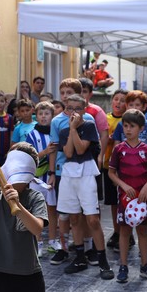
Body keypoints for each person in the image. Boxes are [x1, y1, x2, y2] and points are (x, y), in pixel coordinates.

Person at [0, 138, 48, 292]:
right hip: (0, 272)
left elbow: (37, 228)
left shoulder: (35, 197)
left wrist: (18, 206)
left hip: (29, 273)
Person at [57, 94, 114, 279]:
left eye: (78, 109)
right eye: (70, 108)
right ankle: (80, 257)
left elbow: (81, 149)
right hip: (69, 174)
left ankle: (102, 259)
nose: (73, 112)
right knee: (73, 218)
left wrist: (73, 129)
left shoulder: (89, 126)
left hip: (86, 173)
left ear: (84, 110)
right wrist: (71, 129)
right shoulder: (63, 130)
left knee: (92, 219)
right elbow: (68, 152)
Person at [48, 79, 98, 266]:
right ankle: (64, 248)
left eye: (70, 92)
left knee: (84, 212)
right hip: (63, 171)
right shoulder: (56, 120)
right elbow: (53, 148)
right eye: (63, 93)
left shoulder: (89, 119)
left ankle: (87, 247)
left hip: (82, 170)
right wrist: (52, 172)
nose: (66, 95)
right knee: (64, 214)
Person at [108, 109, 147, 283]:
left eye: (132, 126)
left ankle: (145, 266)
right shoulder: (118, 149)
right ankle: (123, 266)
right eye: (125, 126)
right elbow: (111, 173)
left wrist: (146, 186)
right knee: (124, 231)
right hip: (125, 198)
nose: (128, 129)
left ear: (141, 129)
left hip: (143, 197)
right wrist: (123, 185)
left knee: (142, 231)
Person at [111, 90, 147, 254]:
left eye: (137, 105)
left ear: (145, 106)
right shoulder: (121, 125)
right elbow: (117, 147)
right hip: (127, 177)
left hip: (145, 175)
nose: (134, 108)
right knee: (126, 208)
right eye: (131, 104)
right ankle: (126, 244)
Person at [25, 101, 59, 257]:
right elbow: (29, 156)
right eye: (40, 114)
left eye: (47, 114)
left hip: (50, 176)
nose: (44, 117)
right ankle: (37, 242)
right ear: (36, 116)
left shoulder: (55, 132)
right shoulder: (32, 134)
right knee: (36, 209)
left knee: (52, 208)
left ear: (52, 115)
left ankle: (53, 240)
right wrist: (45, 151)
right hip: (36, 177)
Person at [103, 89, 129, 252]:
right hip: (108, 165)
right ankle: (117, 230)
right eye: (116, 99)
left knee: (126, 200)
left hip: (126, 167)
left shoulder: (129, 120)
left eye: (122, 100)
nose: (119, 103)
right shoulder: (105, 118)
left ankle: (128, 232)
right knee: (113, 202)